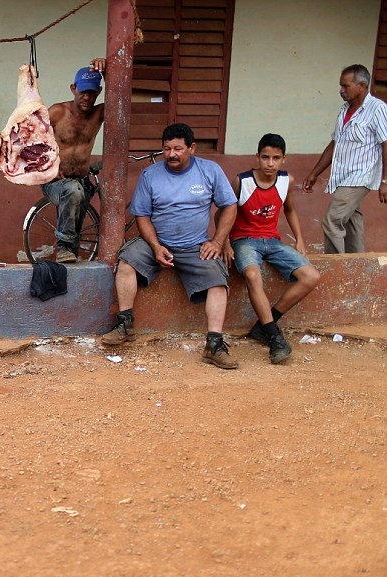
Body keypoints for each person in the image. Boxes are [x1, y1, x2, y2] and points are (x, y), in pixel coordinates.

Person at [100, 123, 240, 369]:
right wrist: (155, 247)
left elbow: (229, 205)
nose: (171, 154)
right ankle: (125, 324)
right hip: (157, 243)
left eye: (177, 149)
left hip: (196, 246)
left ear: (192, 148)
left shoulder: (210, 171)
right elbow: (142, 215)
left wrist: (217, 241)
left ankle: (214, 345)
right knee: (127, 261)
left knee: (218, 281)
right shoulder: (150, 175)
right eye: (166, 149)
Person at [225, 134, 321, 365]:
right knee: (252, 274)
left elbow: (289, 210)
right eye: (265, 157)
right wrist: (225, 243)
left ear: (284, 159)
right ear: (257, 157)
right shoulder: (242, 181)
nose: (270, 163)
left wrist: (299, 239)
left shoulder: (286, 181)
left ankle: (264, 326)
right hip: (244, 239)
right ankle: (275, 337)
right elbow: (225, 211)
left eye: (276, 158)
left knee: (311, 276)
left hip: (272, 240)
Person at [303, 64, 387, 253]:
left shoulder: (378, 109)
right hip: (343, 176)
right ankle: (356, 267)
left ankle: (335, 269)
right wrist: (315, 173)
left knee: (332, 221)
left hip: (360, 177)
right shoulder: (345, 109)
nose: (341, 90)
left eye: (345, 86)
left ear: (362, 86)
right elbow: (335, 143)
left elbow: (386, 143)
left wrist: (385, 180)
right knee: (352, 224)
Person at [44, 58, 107, 263]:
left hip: (81, 180)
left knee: (76, 236)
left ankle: (70, 259)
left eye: (92, 92)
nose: (87, 97)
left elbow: (121, 101)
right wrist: (50, 165)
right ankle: (62, 246)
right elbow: (32, 139)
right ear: (73, 88)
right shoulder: (57, 112)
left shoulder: (99, 113)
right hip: (54, 181)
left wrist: (109, 70)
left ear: (98, 92)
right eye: (83, 92)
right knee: (72, 190)